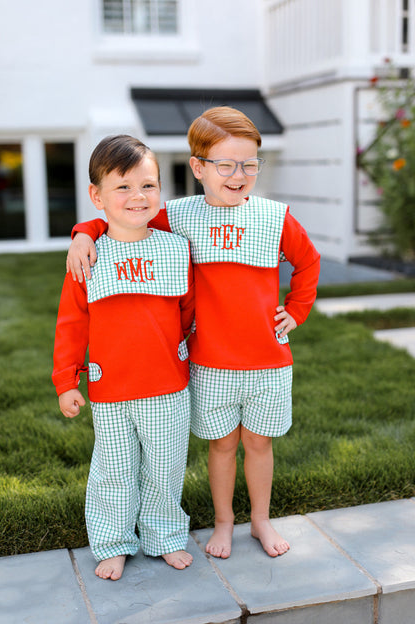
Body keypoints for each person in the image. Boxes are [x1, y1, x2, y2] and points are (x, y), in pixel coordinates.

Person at [66, 107, 320, 561]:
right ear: (199, 168)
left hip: (268, 360)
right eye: (226, 164)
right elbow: (124, 217)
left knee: (259, 443)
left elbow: (308, 261)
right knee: (222, 445)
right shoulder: (178, 216)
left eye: (249, 164)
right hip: (208, 360)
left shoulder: (274, 217)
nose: (238, 174)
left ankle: (260, 519)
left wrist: (296, 311)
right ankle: (224, 522)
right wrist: (82, 233)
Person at [52, 135, 195, 580]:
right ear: (97, 196)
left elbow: (188, 312)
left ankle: (165, 535)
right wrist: (65, 381)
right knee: (112, 470)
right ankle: (113, 541)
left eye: (148, 186)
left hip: (168, 386)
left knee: (165, 469)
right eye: (123, 187)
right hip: (111, 387)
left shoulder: (175, 248)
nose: (138, 197)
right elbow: (71, 323)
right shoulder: (88, 256)